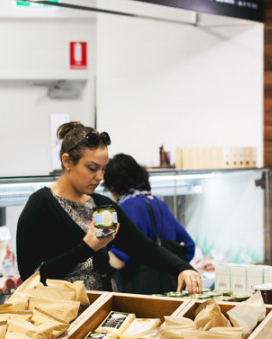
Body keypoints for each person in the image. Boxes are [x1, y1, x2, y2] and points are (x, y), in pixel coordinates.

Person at [16, 121, 202, 294]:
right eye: (92, 168)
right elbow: (32, 277)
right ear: (67, 162)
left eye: (103, 169)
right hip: (62, 313)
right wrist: (87, 247)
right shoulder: (41, 205)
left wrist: (182, 268)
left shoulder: (102, 205)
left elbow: (144, 248)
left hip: (104, 309)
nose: (100, 177)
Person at [103, 153, 196, 294]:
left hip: (140, 292)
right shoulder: (159, 203)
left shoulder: (129, 206)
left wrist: (99, 247)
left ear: (113, 185)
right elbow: (188, 247)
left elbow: (119, 261)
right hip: (169, 289)